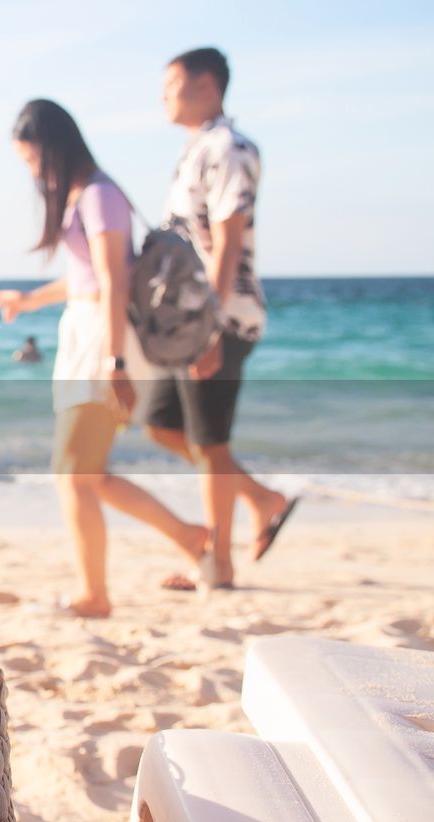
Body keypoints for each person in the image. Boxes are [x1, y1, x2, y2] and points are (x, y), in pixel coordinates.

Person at [0, 99, 210, 618]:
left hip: (101, 341)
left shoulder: (99, 195)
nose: (32, 171)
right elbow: (85, 277)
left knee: (72, 474)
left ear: (56, 147)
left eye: (32, 159)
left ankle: (95, 596)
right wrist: (29, 300)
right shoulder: (85, 196)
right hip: (84, 332)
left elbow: (115, 281)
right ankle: (189, 534)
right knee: (87, 474)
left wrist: (114, 363)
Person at [148, 47, 296, 591]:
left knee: (210, 442)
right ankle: (262, 498)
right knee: (162, 424)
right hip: (187, 321)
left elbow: (229, 237)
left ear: (207, 85)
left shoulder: (231, 148)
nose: (163, 94)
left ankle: (219, 567)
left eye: (172, 83)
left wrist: (210, 325)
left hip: (222, 318)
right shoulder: (197, 149)